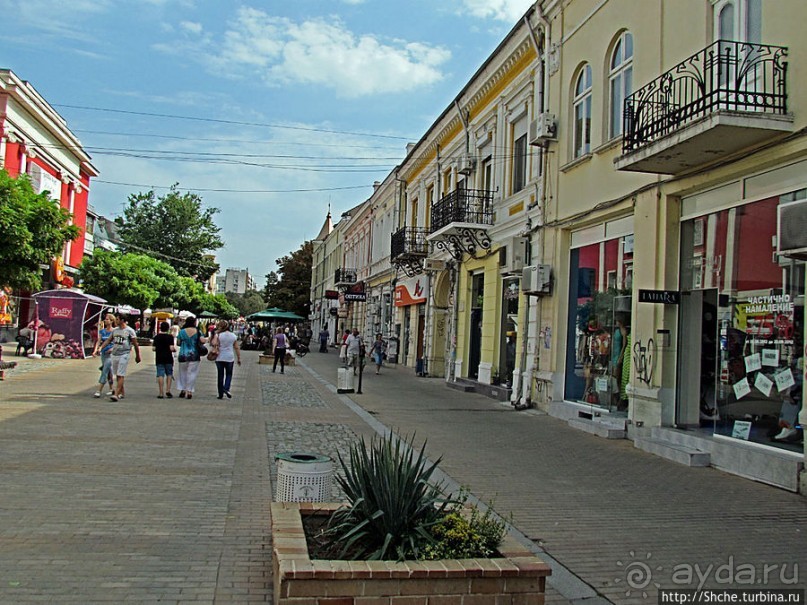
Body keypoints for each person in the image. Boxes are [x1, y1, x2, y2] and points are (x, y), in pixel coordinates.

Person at [98, 315, 141, 402]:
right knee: (118, 374)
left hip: (124, 354)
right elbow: (109, 340)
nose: (116, 321)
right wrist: (100, 348)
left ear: (122, 320)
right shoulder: (115, 330)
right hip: (115, 354)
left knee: (121, 374)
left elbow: (135, 344)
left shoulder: (129, 331)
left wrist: (138, 355)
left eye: (117, 319)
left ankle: (116, 394)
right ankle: (122, 392)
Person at [176, 317, 207, 399]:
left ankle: (182, 390)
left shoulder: (182, 331)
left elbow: (178, 343)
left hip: (183, 354)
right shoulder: (198, 331)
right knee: (192, 373)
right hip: (194, 355)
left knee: (182, 373)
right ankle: (189, 391)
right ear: (194, 322)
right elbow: (203, 341)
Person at [213, 319, 241, 399]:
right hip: (229, 357)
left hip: (219, 357)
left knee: (220, 375)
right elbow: (236, 347)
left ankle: (220, 393)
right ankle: (226, 388)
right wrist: (239, 358)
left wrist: (216, 334)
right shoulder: (233, 335)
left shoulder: (219, 335)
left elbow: (214, 343)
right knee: (229, 374)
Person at [91, 314, 116, 398]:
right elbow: (98, 341)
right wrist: (95, 350)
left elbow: (117, 343)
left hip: (111, 354)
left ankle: (99, 390)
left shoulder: (115, 331)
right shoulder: (102, 331)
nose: (106, 321)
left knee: (105, 370)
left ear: (112, 321)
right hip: (104, 353)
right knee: (109, 371)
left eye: (107, 319)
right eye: (105, 319)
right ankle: (111, 389)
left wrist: (112, 349)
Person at [152, 321, 176, 399]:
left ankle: (161, 392)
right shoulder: (170, 337)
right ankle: (168, 390)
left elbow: (153, 348)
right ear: (168, 328)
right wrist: (174, 350)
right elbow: (171, 348)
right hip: (168, 358)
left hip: (159, 357)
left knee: (160, 374)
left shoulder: (156, 337)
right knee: (169, 374)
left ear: (160, 328)